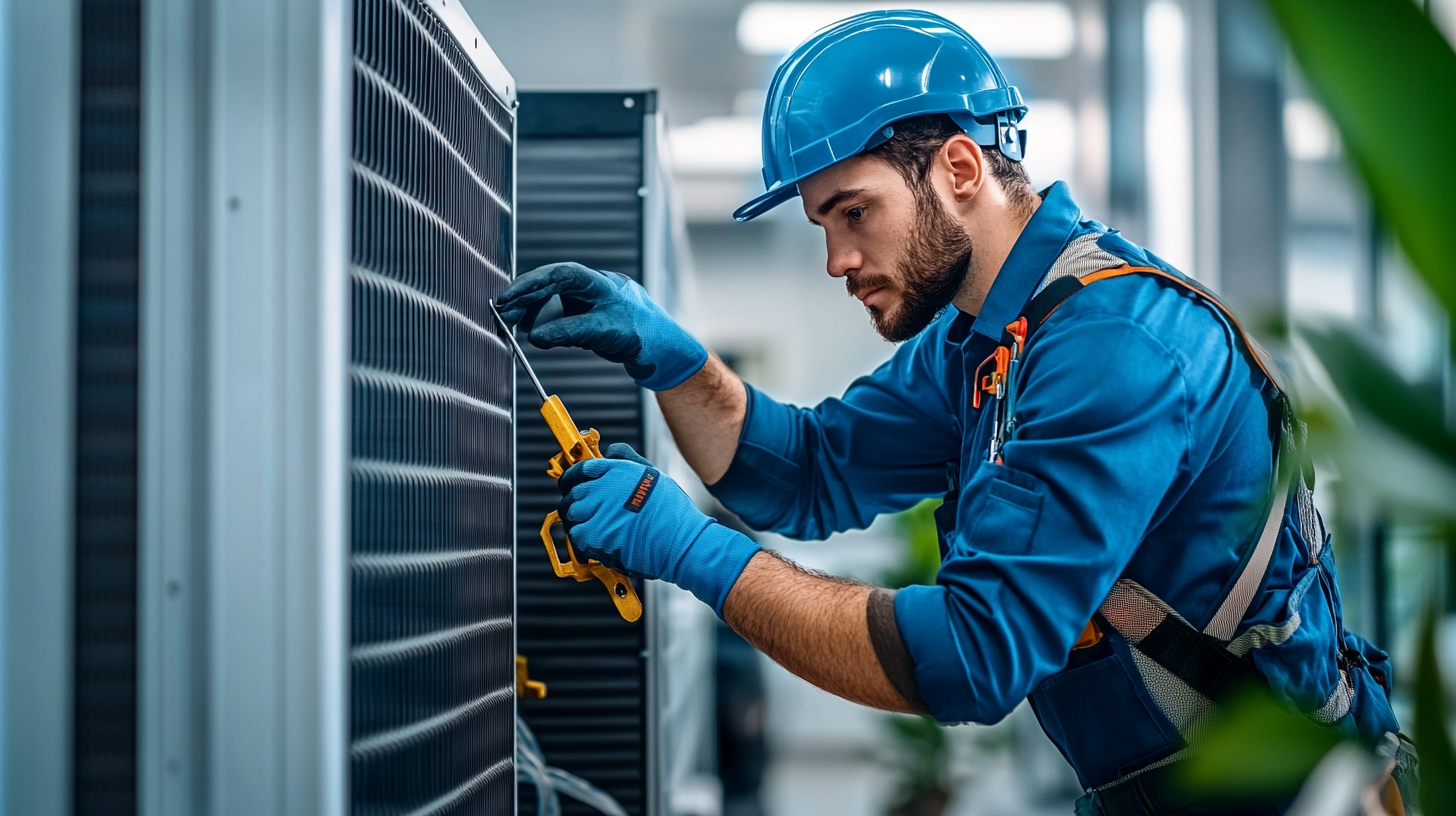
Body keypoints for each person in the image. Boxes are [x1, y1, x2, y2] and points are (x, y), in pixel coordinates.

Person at [496, 11, 1409, 816]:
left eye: (855, 212)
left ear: (960, 168)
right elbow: (806, 471)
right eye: (822, 224)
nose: (837, 258)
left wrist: (692, 550)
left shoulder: (1110, 344)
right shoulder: (982, 341)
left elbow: (975, 657)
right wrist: (675, 359)